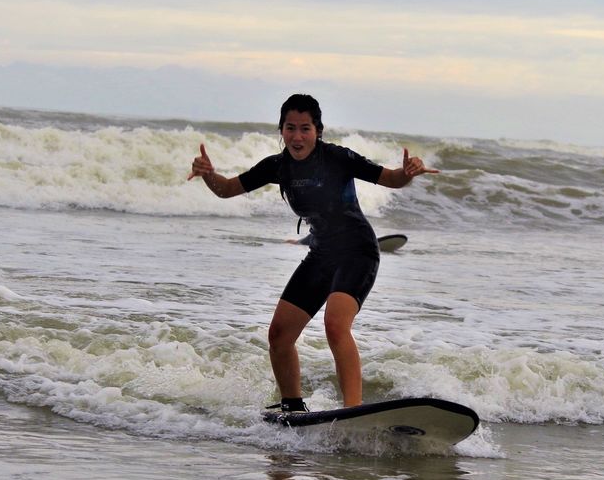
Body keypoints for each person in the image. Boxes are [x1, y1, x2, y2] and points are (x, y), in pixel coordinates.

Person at [188, 94, 438, 411]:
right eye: (290, 128)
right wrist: (208, 174)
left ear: (318, 130)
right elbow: (226, 189)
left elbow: (390, 178)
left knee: (335, 325)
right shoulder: (277, 167)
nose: (297, 136)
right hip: (321, 255)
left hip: (357, 251)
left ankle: (353, 410)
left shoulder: (337, 158)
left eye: (305, 128)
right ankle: (292, 406)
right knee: (279, 335)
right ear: (281, 130)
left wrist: (407, 172)